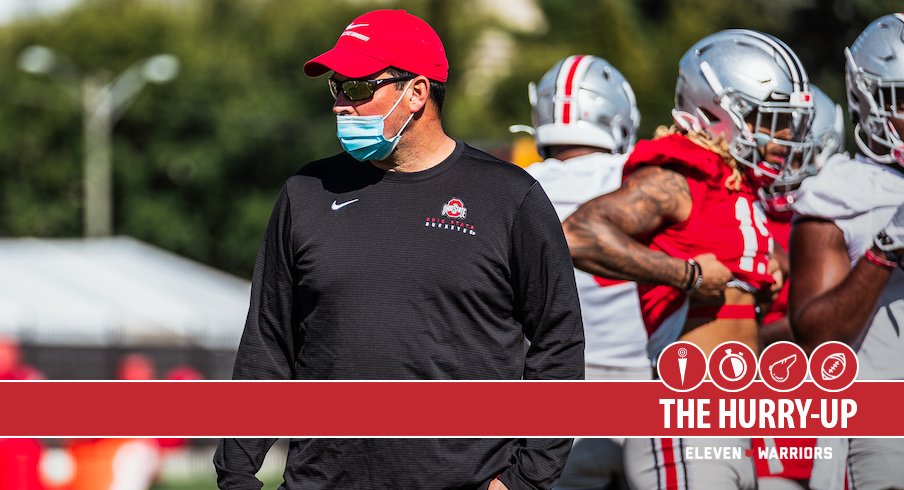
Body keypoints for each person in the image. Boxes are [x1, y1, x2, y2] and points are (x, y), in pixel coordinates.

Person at [214, 9, 584, 490]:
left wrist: (525, 479)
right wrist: (237, 474)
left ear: (416, 93)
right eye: (336, 88)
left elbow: (559, 343)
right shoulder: (305, 193)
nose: (340, 104)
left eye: (358, 87)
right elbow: (267, 346)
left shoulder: (509, 197)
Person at [563, 29, 814, 489]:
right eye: (767, 119)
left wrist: (767, 265)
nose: (783, 137)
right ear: (714, 112)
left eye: (788, 122)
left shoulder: (737, 188)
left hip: (733, 423)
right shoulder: (678, 176)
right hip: (685, 416)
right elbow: (577, 234)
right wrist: (689, 275)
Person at [513, 54, 646, 490]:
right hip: (644, 393)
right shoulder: (641, 180)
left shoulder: (515, 185)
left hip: (553, 397)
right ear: (619, 115)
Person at [789, 13, 904, 489]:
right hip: (880, 421)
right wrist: (887, 246)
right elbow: (817, 337)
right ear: (869, 98)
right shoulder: (840, 190)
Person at [753, 85, 845, 490]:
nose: (785, 167)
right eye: (778, 152)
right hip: (765, 425)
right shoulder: (743, 211)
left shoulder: (837, 220)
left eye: (797, 154)